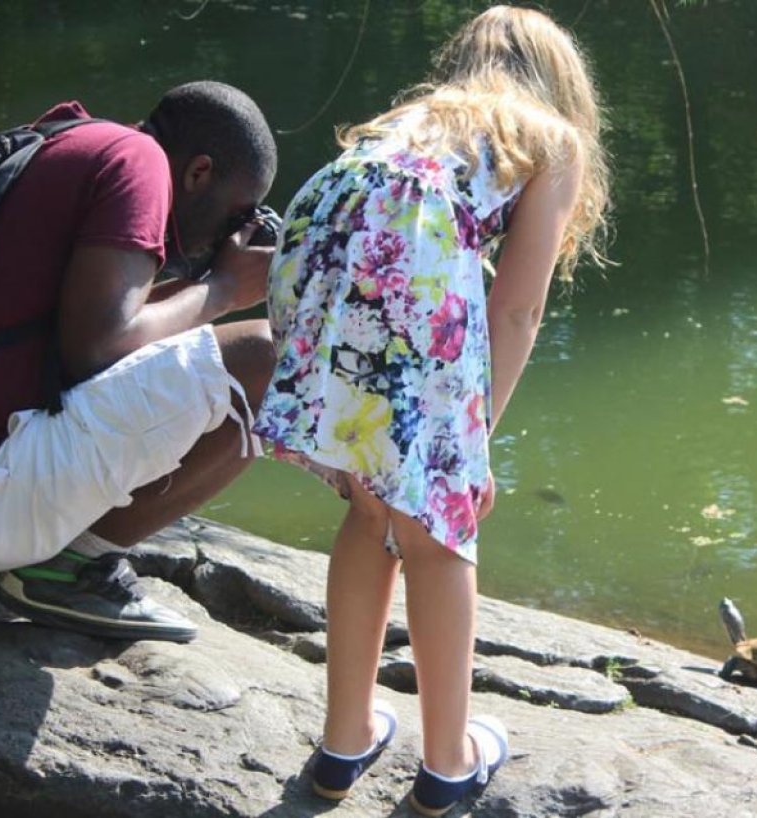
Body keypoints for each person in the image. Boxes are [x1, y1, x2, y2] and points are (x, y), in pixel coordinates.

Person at [253, 6, 610, 814]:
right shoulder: (548, 138)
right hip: (398, 257)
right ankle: (448, 765)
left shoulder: (410, 122)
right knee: (439, 528)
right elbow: (514, 313)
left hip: (318, 250)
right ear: (559, 80)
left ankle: (344, 744)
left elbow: (366, 225)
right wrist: (471, 445)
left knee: (372, 508)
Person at [0, 81, 279, 643]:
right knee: (268, 358)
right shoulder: (139, 165)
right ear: (199, 172)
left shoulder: (73, 137)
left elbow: (82, 333)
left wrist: (206, 284)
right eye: (240, 211)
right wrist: (225, 288)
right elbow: (98, 349)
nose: (234, 230)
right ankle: (66, 567)